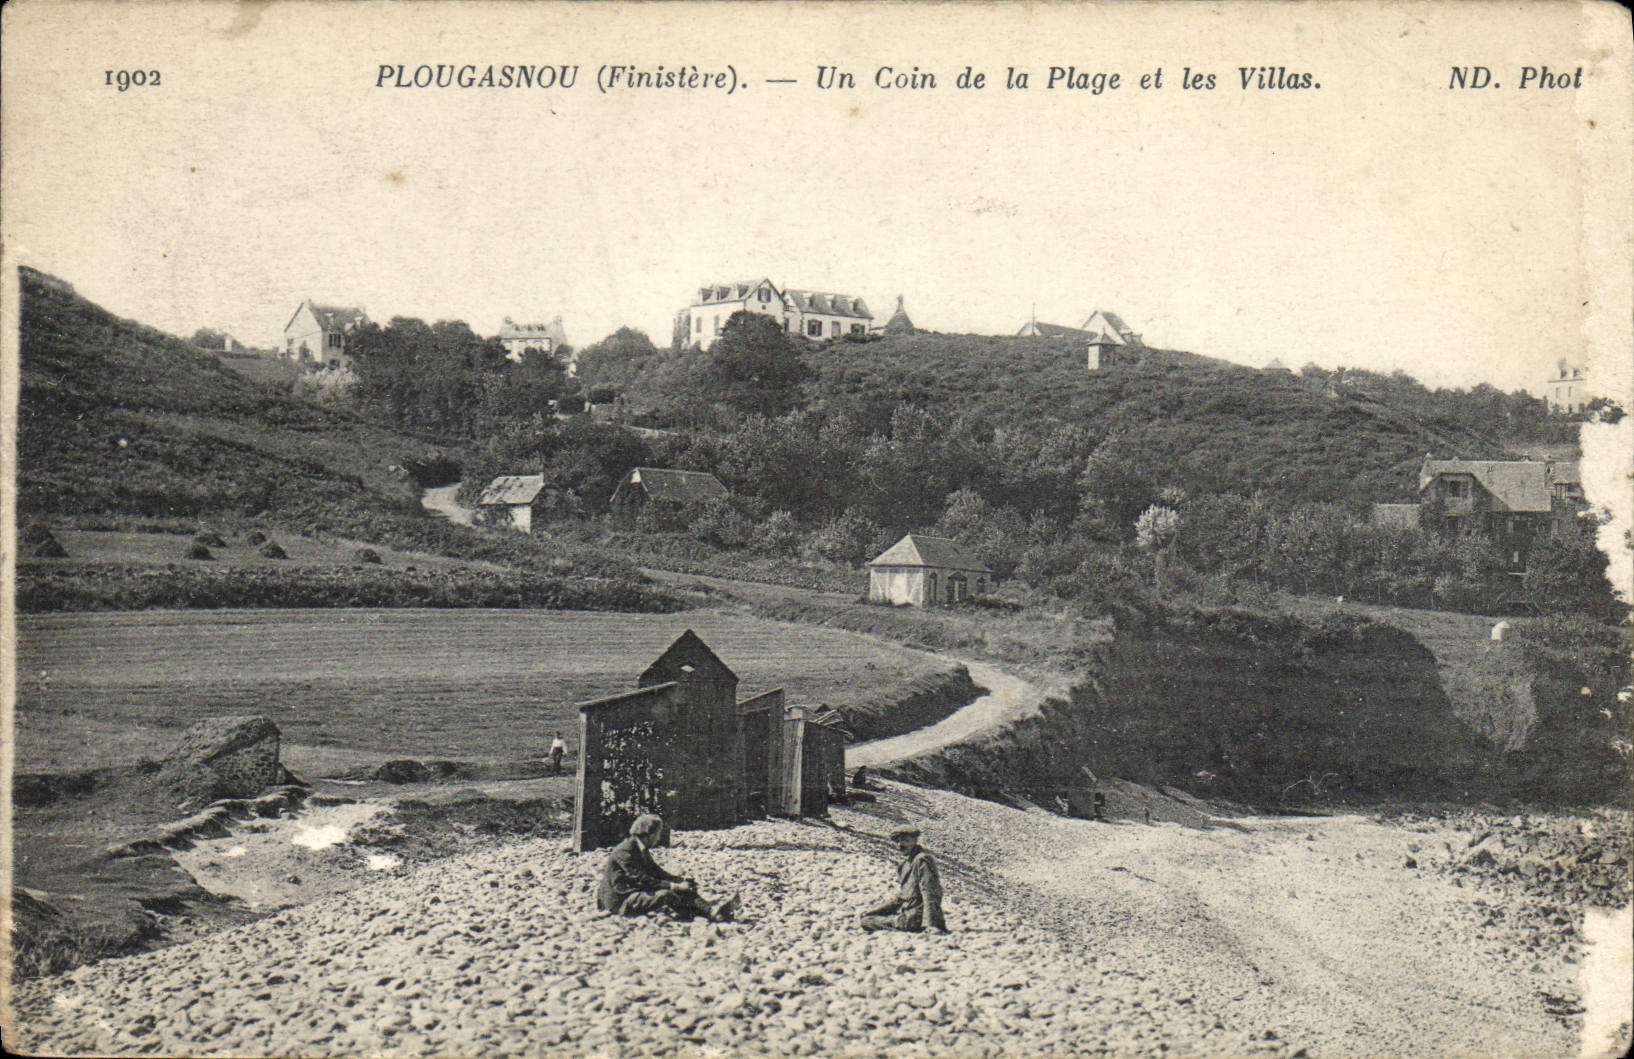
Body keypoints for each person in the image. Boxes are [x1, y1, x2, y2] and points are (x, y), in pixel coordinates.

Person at [596, 814, 739, 922]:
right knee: (666, 895)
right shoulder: (625, 851)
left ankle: (710, 910)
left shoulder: (639, 847)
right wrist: (674, 886)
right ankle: (705, 914)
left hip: (633, 891)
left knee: (683, 888)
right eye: (658, 834)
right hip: (619, 901)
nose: (658, 838)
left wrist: (680, 880)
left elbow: (657, 872)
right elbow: (640, 878)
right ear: (649, 834)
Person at [860, 825, 948, 933]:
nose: (900, 845)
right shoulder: (904, 865)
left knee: (867, 921)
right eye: (898, 841)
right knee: (868, 918)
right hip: (909, 915)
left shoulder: (922, 859)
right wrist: (873, 911)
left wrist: (931, 924)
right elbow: (900, 898)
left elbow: (929, 892)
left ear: (915, 840)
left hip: (916, 918)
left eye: (905, 840)